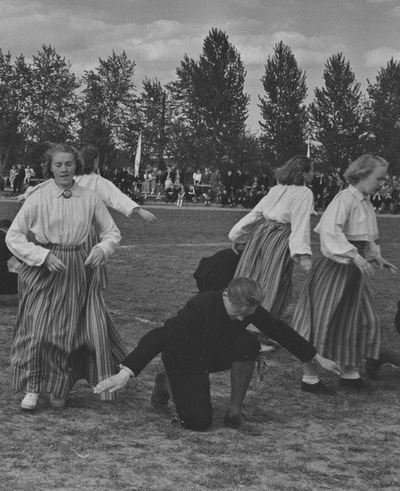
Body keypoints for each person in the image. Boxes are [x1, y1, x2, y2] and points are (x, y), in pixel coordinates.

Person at [94, 278, 342, 435]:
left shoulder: (248, 307)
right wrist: (126, 372)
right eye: (238, 311)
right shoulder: (200, 306)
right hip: (183, 357)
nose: (242, 317)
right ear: (227, 295)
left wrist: (316, 357)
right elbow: (160, 335)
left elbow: (279, 330)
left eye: (248, 313)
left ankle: (234, 414)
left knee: (248, 343)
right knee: (199, 423)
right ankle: (166, 379)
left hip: (211, 353)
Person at [6, 143, 127, 412]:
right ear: (49, 167)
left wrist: (101, 248)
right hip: (44, 267)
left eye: (69, 164)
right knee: (37, 329)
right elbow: (13, 236)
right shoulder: (39, 197)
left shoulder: (89, 197)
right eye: (58, 164)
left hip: (77, 269)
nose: (64, 169)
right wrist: (42, 256)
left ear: (76, 166)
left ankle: (59, 388)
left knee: (68, 333)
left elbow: (111, 232)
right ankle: (33, 388)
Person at [292, 155, 397, 394]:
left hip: (352, 270)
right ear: (362, 175)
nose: (382, 183)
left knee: (359, 319)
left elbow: (366, 236)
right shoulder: (345, 198)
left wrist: (375, 255)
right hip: (334, 267)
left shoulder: (365, 202)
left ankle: (350, 371)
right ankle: (310, 377)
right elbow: (330, 233)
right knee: (322, 317)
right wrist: (354, 256)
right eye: (379, 178)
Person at [18, 145, 156, 289]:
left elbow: (45, 186)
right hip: (83, 232)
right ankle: (83, 287)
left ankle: (70, 286)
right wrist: (138, 210)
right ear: (95, 161)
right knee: (84, 262)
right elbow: (115, 196)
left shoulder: (73, 177)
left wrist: (26, 195)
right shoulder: (95, 181)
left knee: (68, 261)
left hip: (65, 228)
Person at [228, 156, 314, 322]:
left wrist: (236, 234)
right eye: (312, 170)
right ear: (303, 173)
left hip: (261, 235)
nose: (313, 174)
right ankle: (258, 323)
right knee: (273, 279)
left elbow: (255, 214)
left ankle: (241, 314)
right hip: (280, 238)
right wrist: (304, 254)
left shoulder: (276, 189)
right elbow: (301, 222)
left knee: (254, 274)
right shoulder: (304, 193)